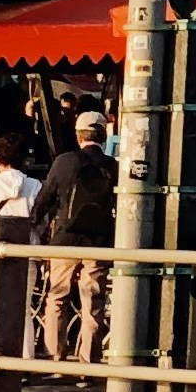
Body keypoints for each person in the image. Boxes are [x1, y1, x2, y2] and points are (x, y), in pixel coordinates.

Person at [37, 110, 121, 360]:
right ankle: (88, 362)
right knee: (92, 302)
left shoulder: (65, 161)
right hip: (98, 241)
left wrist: (36, 225)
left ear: (78, 135)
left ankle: (55, 356)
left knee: (57, 298)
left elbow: (45, 198)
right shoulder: (113, 166)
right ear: (103, 136)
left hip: (65, 239)